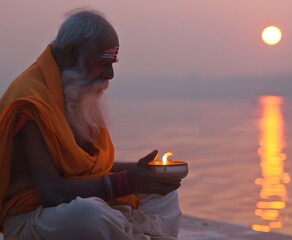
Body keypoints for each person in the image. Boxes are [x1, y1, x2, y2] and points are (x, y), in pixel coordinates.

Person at [0, 9, 183, 240]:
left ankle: (131, 231)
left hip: (80, 203)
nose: (110, 74)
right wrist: (129, 181)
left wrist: (144, 172)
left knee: (164, 194)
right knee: (89, 215)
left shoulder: (75, 92)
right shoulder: (31, 102)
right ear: (71, 54)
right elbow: (52, 193)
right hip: (34, 217)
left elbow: (85, 168)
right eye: (104, 62)